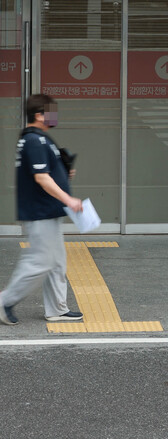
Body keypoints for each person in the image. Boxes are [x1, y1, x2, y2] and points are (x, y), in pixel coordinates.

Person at [0, 94, 84, 325]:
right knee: (40, 262)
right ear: (39, 115)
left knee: (56, 262)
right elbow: (41, 177)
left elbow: (47, 173)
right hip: (40, 212)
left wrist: (64, 172)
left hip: (48, 211)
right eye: (51, 112)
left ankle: (57, 309)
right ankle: (4, 301)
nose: (54, 117)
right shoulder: (34, 140)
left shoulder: (40, 139)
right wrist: (69, 199)